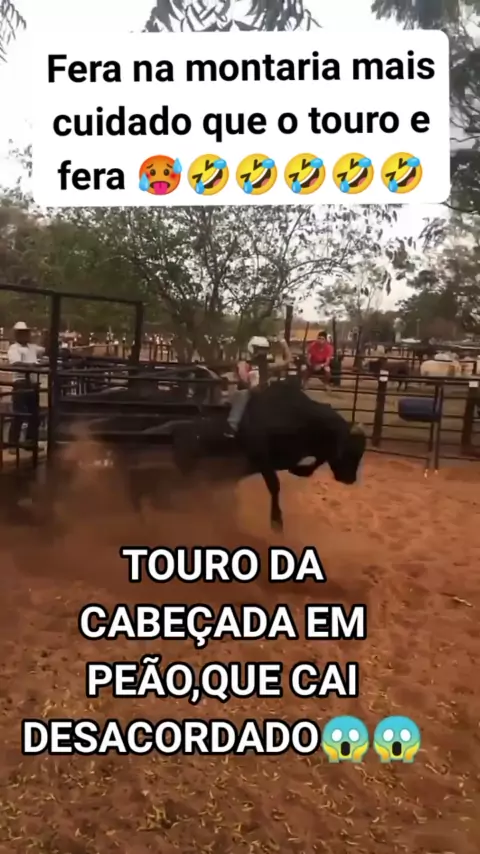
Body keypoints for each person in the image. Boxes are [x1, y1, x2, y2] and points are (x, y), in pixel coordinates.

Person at [225, 335, 291, 437]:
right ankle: (232, 426)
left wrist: (284, 344)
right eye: (260, 349)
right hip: (247, 392)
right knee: (243, 394)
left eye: (264, 349)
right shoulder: (244, 364)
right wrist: (254, 385)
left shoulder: (267, 365)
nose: (262, 352)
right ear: (252, 349)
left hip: (263, 392)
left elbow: (286, 362)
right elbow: (244, 380)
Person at [7, 321, 45, 451]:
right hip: (21, 383)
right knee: (19, 414)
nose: (25, 335)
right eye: (22, 333)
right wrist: (32, 366)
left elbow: (45, 349)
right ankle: (13, 444)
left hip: (32, 383)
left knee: (34, 415)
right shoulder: (14, 348)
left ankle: (30, 442)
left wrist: (46, 335)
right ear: (17, 335)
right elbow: (16, 363)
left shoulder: (32, 347)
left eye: (26, 333)